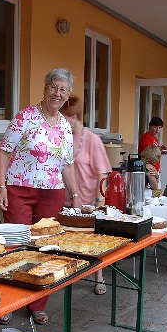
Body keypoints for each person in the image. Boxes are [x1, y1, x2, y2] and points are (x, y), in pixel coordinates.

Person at [0, 68, 81, 324]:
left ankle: (37, 302)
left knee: (46, 247)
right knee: (17, 245)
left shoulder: (65, 127)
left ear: (67, 97)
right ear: (44, 89)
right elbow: (3, 153)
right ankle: (9, 300)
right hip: (19, 189)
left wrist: (75, 194)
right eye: (53, 87)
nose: (57, 93)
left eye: (63, 90)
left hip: (52, 193)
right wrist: (1, 187)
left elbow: (67, 165)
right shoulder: (25, 117)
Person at [61, 95, 112, 295]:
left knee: (94, 241)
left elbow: (102, 174)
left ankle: (99, 277)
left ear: (75, 116)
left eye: (65, 116)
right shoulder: (62, 137)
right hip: (66, 201)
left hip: (90, 201)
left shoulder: (92, 140)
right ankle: (70, 273)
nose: (63, 120)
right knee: (69, 241)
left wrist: (100, 202)